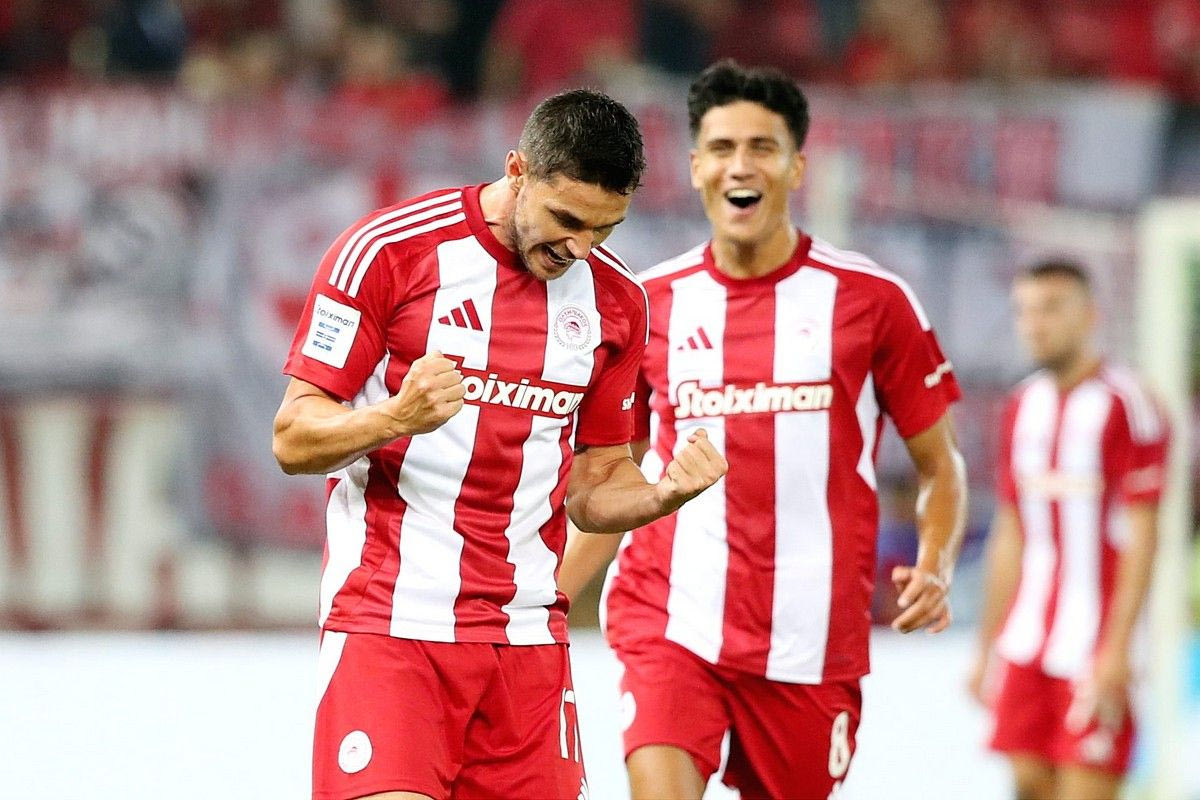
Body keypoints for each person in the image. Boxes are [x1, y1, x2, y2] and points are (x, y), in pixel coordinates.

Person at [272, 88, 728, 800]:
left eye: (603, 230)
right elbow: (293, 438)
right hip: (390, 624)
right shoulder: (387, 253)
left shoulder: (616, 302)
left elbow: (594, 487)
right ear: (518, 170)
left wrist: (661, 494)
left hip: (527, 642)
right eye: (566, 220)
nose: (578, 248)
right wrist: (394, 418)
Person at [558, 60, 969, 800]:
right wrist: (547, 597)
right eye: (721, 148)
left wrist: (935, 563)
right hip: (670, 617)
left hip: (810, 638)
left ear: (796, 167)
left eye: (762, 147)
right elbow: (609, 478)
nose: (740, 165)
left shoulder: (873, 301)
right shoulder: (648, 304)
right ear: (695, 167)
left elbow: (941, 466)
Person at [967, 261, 1169, 800]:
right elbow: (1011, 532)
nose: (1035, 324)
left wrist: (1118, 649)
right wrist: (987, 647)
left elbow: (1143, 536)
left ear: (1090, 315)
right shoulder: (1021, 406)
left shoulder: (1130, 403)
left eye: (1052, 309)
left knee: (1086, 789)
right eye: (1025, 311)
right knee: (1027, 783)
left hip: (1095, 643)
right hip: (1027, 640)